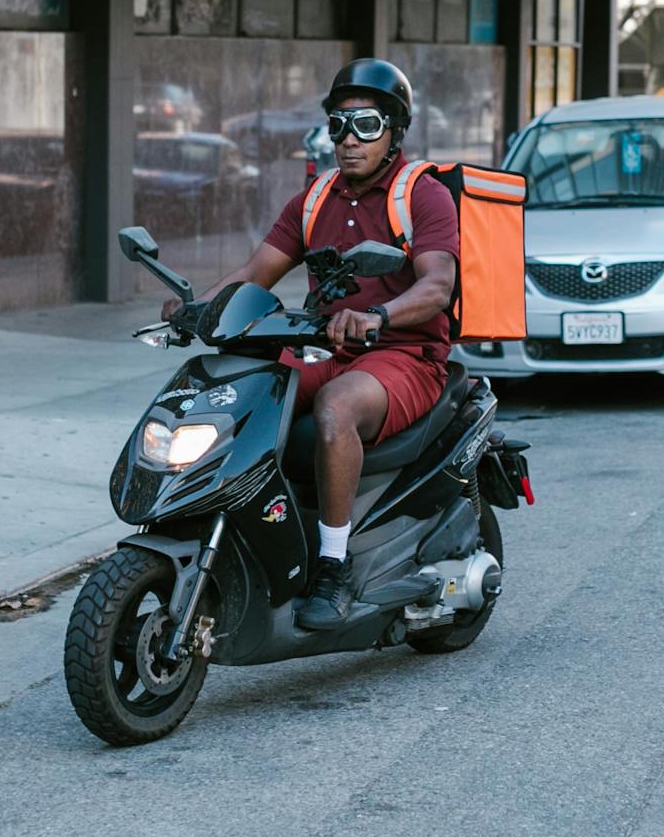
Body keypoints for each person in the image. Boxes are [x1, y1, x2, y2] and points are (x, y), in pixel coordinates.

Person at [161, 59, 459, 631]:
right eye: (338, 124)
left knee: (336, 407)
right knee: (240, 391)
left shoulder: (421, 196)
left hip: (404, 353)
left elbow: (437, 285)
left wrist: (378, 315)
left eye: (366, 125)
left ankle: (333, 564)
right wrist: (197, 309)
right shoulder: (315, 198)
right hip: (327, 345)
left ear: (395, 130)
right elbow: (256, 272)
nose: (348, 139)